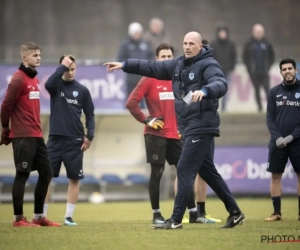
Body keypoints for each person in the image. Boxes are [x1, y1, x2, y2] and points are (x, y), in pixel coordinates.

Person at [104, 31, 245, 229]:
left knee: (185, 169)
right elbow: (152, 66)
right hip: (189, 127)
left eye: (191, 44)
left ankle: (175, 220)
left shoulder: (208, 64)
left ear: (200, 46)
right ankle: (236, 212)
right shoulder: (179, 63)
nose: (187, 47)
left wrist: (204, 91)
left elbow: (221, 84)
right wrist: (125, 65)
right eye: (184, 43)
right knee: (209, 172)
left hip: (202, 125)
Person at [126, 43, 220, 224]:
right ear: (157, 60)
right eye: (163, 57)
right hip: (155, 134)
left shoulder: (179, 78)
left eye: (170, 56)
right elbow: (131, 102)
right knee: (157, 172)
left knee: (185, 172)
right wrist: (147, 120)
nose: (167, 60)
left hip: (177, 135)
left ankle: (193, 213)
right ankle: (156, 214)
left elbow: (185, 102)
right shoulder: (148, 79)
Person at [0, 42, 61, 227]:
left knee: (47, 172)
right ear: (24, 57)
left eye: (40, 55)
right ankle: (18, 219)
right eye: (35, 55)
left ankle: (38, 216)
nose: (39, 58)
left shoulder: (34, 78)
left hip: (36, 135)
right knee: (22, 174)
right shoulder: (18, 79)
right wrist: (5, 129)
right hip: (23, 135)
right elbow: (5, 106)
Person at [43, 55, 95, 226]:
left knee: (74, 179)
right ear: (62, 69)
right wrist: (62, 67)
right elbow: (47, 84)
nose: (70, 72)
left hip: (75, 141)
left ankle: (68, 217)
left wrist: (90, 136)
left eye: (73, 69)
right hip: (55, 141)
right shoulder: (55, 86)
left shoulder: (82, 90)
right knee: (46, 178)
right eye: (67, 69)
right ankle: (41, 216)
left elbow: (90, 114)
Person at [265, 58, 300, 222]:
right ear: (280, 73)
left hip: (297, 141)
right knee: (275, 176)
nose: (287, 71)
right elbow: (270, 118)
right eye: (284, 69)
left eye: (290, 69)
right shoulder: (274, 92)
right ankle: (276, 213)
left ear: (296, 70)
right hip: (277, 143)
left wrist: (292, 137)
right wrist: (278, 137)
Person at [117, 22, 154, 102]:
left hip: (144, 75)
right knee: (131, 97)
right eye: (135, 32)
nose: (137, 34)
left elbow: (151, 56)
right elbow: (121, 58)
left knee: (145, 98)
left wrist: (149, 66)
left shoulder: (145, 44)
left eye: (139, 32)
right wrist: (128, 66)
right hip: (131, 76)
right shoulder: (125, 44)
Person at [242, 23, 275, 112]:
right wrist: (249, 68)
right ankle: (259, 107)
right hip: (254, 72)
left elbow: (272, 56)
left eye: (260, 32)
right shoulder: (249, 44)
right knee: (256, 90)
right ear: (253, 32)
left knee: (267, 90)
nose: (259, 33)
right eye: (257, 32)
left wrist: (268, 66)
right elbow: (245, 57)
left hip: (264, 72)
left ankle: (271, 108)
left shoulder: (267, 44)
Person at [210, 26, 236, 112]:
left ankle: (224, 107)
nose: (222, 34)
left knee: (225, 90)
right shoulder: (214, 44)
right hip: (216, 71)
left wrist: (232, 67)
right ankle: (215, 106)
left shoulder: (231, 44)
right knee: (216, 89)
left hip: (227, 70)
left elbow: (234, 56)